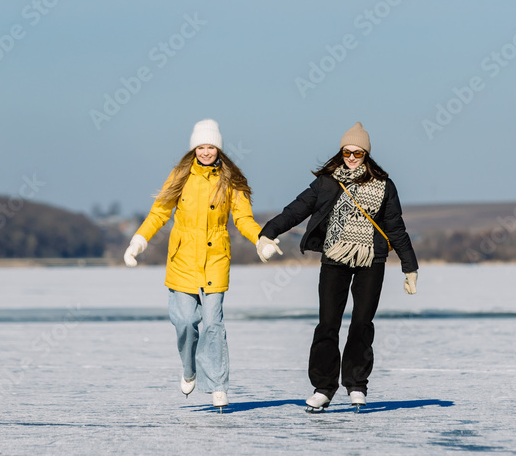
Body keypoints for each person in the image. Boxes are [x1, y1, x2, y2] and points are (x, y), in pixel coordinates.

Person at [257, 122, 418, 412]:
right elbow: (297, 209)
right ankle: (323, 388)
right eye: (347, 152)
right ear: (341, 151)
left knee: (361, 323)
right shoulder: (328, 181)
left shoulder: (384, 186)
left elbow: (396, 228)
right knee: (328, 324)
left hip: (372, 260)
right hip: (334, 257)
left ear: (366, 154)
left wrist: (410, 268)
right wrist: (268, 232)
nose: (352, 157)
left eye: (358, 153)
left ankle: (356, 385)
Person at [123, 119, 262, 411]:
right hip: (183, 259)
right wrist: (139, 240)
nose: (206, 151)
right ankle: (189, 368)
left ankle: (219, 386)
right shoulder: (181, 175)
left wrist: (261, 239)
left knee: (214, 324)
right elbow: (159, 211)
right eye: (201, 146)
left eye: (211, 146)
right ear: (194, 148)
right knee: (185, 323)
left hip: (215, 260)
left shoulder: (231, 180)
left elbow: (243, 219)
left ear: (219, 148)